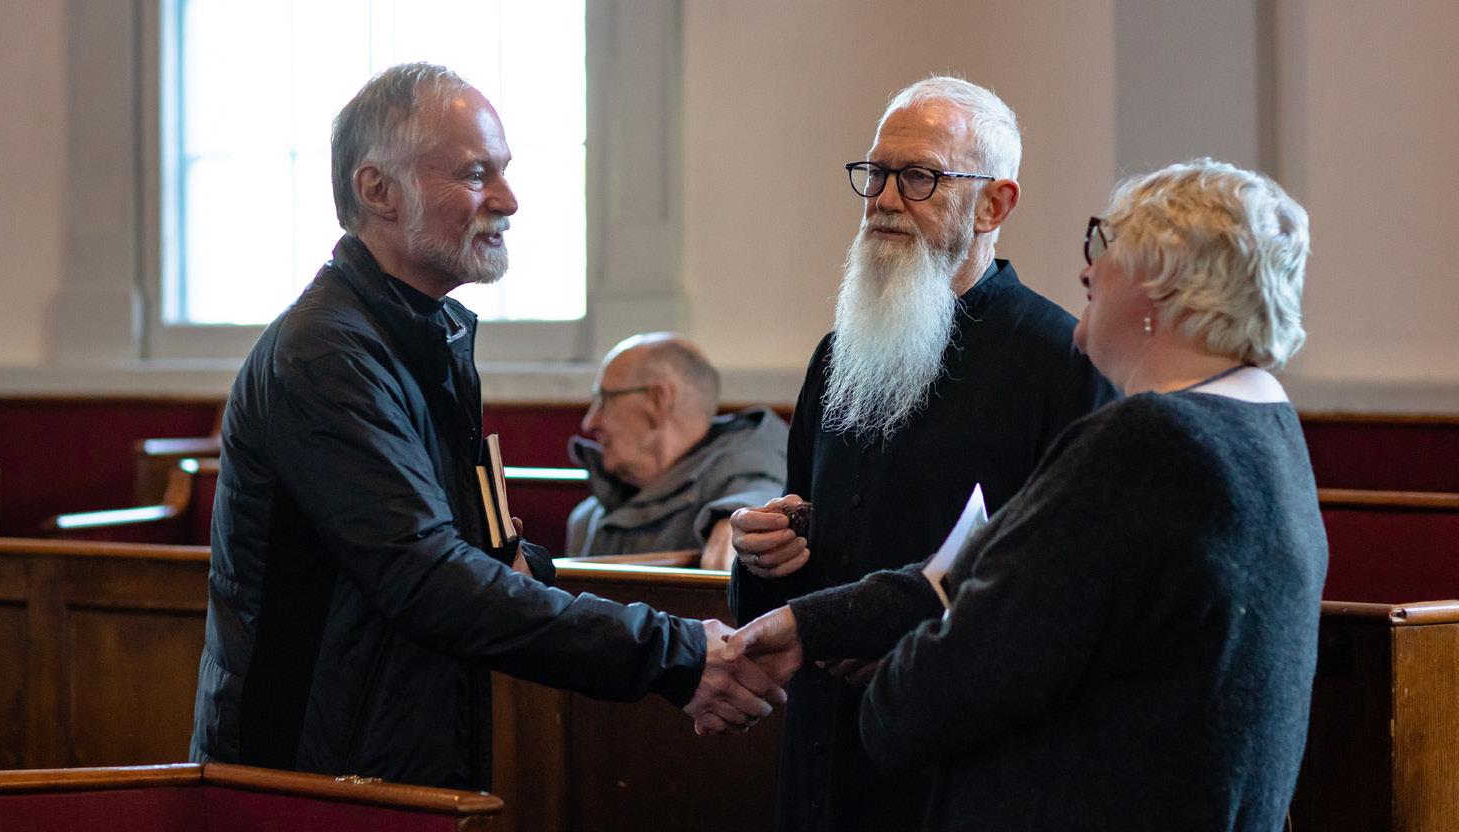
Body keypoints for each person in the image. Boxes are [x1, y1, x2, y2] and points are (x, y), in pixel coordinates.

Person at [188, 63, 784, 791]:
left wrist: (530, 567)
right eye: (476, 174)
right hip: (308, 782)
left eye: (502, 171)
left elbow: (470, 555)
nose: (508, 199)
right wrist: (673, 654)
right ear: (378, 190)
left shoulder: (421, 334)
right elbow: (427, 577)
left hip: (388, 760)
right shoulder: (324, 354)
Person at [727, 159, 1326, 831]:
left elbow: (947, 682)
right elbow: (996, 567)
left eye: (1107, 243)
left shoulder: (1149, 442)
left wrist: (894, 671)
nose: (1087, 271)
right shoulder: (1261, 424)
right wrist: (814, 624)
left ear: (1164, 287)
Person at [726, 76, 1117, 831]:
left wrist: (923, 655)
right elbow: (804, 545)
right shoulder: (837, 356)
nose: (883, 199)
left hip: (962, 775)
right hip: (823, 763)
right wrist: (764, 554)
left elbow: (1065, 597)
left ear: (994, 205)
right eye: (875, 174)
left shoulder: (1061, 364)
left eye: (918, 178)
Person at [567, 333, 787, 569]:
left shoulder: (743, 476)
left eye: (604, 400)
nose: (589, 422)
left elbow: (764, 493)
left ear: (658, 400)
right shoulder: (586, 520)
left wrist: (739, 521)